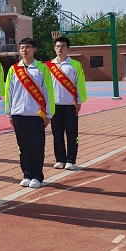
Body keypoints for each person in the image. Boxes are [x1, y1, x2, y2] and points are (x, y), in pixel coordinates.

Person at [4, 37, 55, 189]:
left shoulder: (42, 68)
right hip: (18, 114)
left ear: (34, 49)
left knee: (37, 146)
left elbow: (48, 92)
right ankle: (26, 174)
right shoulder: (14, 69)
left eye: (28, 47)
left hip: (36, 114)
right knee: (23, 146)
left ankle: (37, 176)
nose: (24, 50)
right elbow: (9, 93)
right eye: (22, 47)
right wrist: (9, 113)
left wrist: (49, 114)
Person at [47, 36, 87, 170]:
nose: (60, 48)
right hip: (54, 106)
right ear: (54, 48)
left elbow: (79, 85)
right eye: (57, 46)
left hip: (70, 105)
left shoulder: (75, 65)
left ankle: (71, 160)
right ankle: (60, 159)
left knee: (71, 133)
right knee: (57, 134)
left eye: (63, 46)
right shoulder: (48, 66)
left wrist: (79, 102)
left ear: (68, 48)